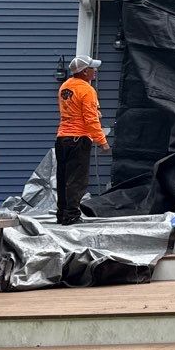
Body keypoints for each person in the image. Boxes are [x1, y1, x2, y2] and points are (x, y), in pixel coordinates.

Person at [55, 55, 109, 226]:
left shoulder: (65, 87)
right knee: (77, 179)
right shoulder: (87, 90)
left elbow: (72, 111)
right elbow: (90, 119)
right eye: (92, 68)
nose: (95, 71)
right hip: (79, 139)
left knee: (63, 177)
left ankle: (62, 213)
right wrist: (102, 141)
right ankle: (72, 215)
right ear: (85, 71)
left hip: (62, 138)